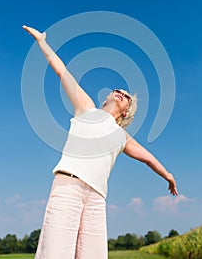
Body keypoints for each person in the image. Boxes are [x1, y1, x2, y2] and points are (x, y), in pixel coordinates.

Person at [22, 25, 178, 259]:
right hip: (68, 188)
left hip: (96, 198)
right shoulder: (86, 108)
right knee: (54, 253)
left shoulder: (122, 137)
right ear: (107, 95)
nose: (120, 94)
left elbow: (148, 158)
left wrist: (168, 175)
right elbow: (61, 71)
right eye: (117, 90)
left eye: (126, 96)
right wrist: (42, 42)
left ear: (126, 112)